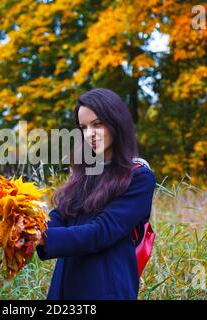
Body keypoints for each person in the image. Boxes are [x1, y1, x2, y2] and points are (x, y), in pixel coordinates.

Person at [35, 88, 156, 300]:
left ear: (116, 122)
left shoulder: (138, 177)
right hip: (66, 286)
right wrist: (32, 229)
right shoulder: (87, 171)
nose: (89, 133)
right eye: (83, 127)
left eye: (97, 124)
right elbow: (61, 214)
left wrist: (45, 238)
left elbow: (101, 231)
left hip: (106, 289)